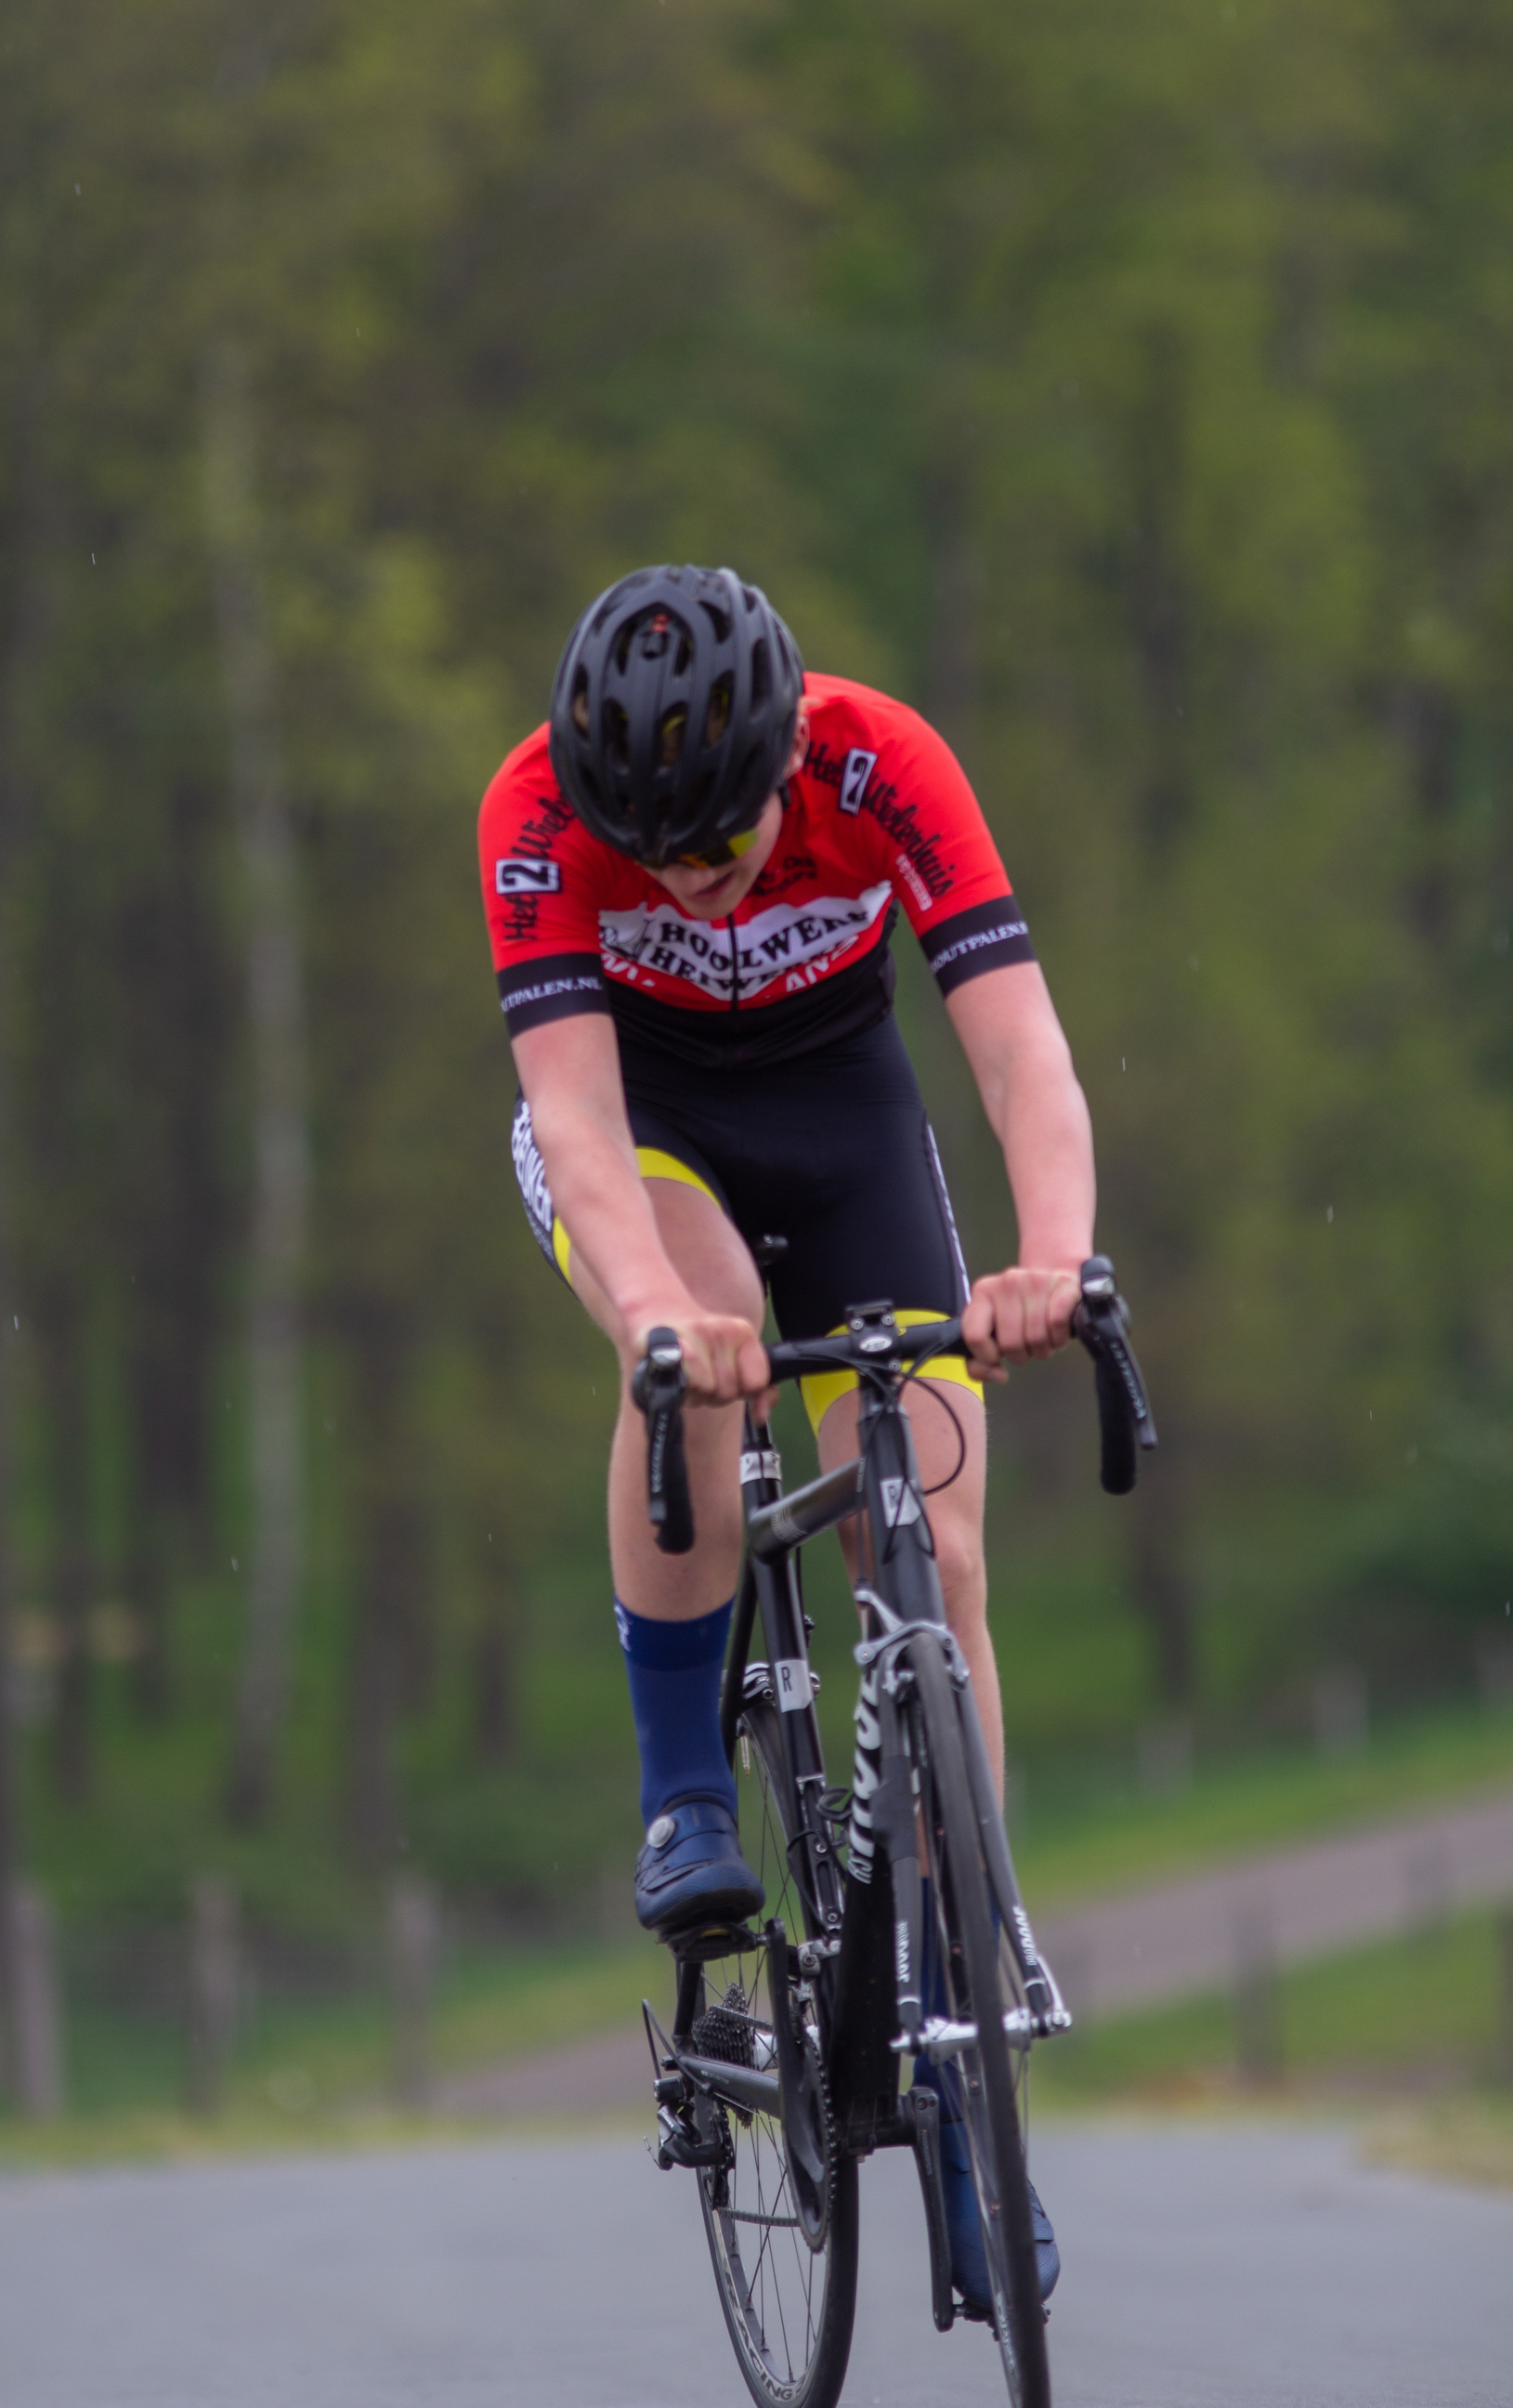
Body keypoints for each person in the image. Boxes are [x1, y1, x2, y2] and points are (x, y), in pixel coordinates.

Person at [477, 562, 1092, 2310]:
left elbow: (1018, 1049)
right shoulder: (530, 811)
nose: (685, 882)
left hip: (844, 1108)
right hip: (647, 1129)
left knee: (947, 1531)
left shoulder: (884, 759)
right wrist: (652, 1316)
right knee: (708, 1324)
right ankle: (684, 1785)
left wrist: (1050, 1257)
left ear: (783, 762)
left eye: (721, 850)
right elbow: (575, 1123)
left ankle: (962, 2045)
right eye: (650, 856)